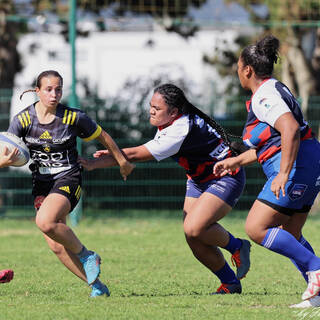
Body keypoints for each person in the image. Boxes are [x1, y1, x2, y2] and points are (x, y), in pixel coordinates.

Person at [80, 83, 251, 294]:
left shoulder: (180, 129)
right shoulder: (174, 121)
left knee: (194, 227)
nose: (151, 110)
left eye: (157, 108)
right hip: (199, 178)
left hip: (225, 176)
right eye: (151, 105)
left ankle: (237, 246)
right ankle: (230, 283)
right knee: (193, 236)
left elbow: (134, 155)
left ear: (173, 112)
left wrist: (97, 161)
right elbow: (132, 154)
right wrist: (107, 158)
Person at [213, 35, 320, 308]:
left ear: (247, 70)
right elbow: (273, 142)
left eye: (238, 67)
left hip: (297, 164)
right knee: (290, 232)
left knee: (256, 226)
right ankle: (317, 291)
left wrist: (284, 174)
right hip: (309, 160)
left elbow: (290, 129)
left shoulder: (264, 95)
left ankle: (316, 268)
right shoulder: (275, 88)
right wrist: (236, 162)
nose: (238, 72)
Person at [7, 70, 135, 297]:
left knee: (45, 221)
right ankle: (96, 286)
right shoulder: (23, 120)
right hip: (41, 183)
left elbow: (103, 136)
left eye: (58, 89)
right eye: (48, 89)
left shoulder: (73, 117)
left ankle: (87, 255)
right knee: (56, 245)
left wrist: (122, 161)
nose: (54, 94)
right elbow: (6, 150)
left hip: (68, 178)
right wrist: (7, 160)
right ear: (37, 91)